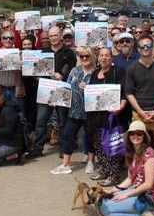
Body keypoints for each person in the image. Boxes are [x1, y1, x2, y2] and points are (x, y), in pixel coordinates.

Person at [125, 35, 154, 196]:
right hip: (139, 114)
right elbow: (129, 93)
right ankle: (135, 176)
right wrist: (140, 111)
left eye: (148, 46)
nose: (145, 49)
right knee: (137, 146)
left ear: (152, 48)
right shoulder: (132, 68)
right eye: (142, 46)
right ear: (138, 49)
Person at [26, 26, 76, 159]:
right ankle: (37, 148)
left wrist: (63, 76)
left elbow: (73, 72)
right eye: (51, 36)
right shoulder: (43, 52)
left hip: (62, 91)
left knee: (63, 122)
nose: (53, 38)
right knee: (41, 121)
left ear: (60, 36)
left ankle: (64, 149)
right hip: (46, 91)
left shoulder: (69, 53)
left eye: (56, 35)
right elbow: (36, 72)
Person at [99, 121, 154, 216]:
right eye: (132, 134)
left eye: (139, 134)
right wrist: (112, 190)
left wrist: (126, 195)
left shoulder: (149, 154)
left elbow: (148, 184)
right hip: (134, 190)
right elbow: (129, 179)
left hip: (146, 196)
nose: (135, 136)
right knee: (103, 202)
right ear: (129, 136)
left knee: (106, 211)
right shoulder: (132, 153)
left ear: (144, 136)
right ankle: (138, 211)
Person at [50, 47, 98, 175]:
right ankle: (66, 164)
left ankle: (91, 162)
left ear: (92, 57)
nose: (84, 59)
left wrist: (88, 88)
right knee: (67, 135)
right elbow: (67, 88)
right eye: (81, 56)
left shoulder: (97, 72)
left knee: (89, 137)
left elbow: (99, 92)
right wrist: (56, 98)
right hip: (75, 110)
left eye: (87, 56)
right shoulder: (74, 71)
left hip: (90, 112)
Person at [87, 47, 128, 185]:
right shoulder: (94, 73)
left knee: (113, 145)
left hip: (112, 116)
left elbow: (125, 92)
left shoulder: (118, 72)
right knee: (99, 145)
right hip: (96, 115)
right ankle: (104, 169)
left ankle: (113, 176)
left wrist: (121, 107)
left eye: (107, 55)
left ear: (112, 58)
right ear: (98, 58)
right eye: (101, 55)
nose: (104, 58)